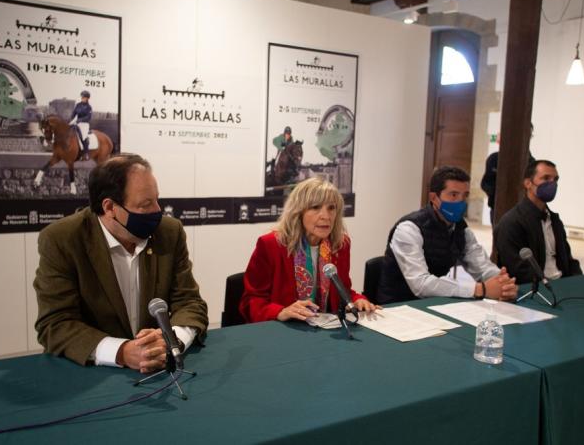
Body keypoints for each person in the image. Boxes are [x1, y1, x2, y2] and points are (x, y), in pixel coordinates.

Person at [34, 154, 208, 372]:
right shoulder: (63, 239)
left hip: (158, 370)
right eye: (146, 204)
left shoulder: (169, 232)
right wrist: (122, 352)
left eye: (157, 199)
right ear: (109, 207)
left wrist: (172, 341)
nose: (158, 210)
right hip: (90, 376)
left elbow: (190, 303)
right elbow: (55, 324)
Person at [375, 166, 518, 305]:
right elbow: (421, 284)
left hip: (434, 304)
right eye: (454, 195)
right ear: (434, 198)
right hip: (397, 307)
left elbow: (482, 266)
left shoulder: (462, 230)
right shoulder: (409, 229)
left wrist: (503, 284)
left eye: (465, 196)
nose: (460, 202)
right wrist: (479, 289)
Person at [240, 177, 376, 323]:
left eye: (331, 208)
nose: (326, 216)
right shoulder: (271, 245)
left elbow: (343, 290)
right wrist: (280, 311)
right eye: (316, 207)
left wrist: (357, 300)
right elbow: (251, 301)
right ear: (298, 212)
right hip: (284, 330)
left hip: (325, 329)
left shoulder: (340, 244)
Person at [494, 159, 582, 284]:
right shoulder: (511, 222)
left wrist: (579, 280)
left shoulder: (555, 221)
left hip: (562, 285)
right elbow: (517, 269)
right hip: (536, 289)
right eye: (546, 178)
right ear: (528, 183)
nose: (552, 184)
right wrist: (546, 283)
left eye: (555, 179)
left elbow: (568, 260)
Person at [480, 124, 536, 225]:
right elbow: (486, 183)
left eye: (528, 135)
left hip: (523, 211)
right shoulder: (494, 159)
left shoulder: (532, 163)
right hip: (498, 209)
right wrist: (498, 195)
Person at [69, 90, 93, 160]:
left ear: (87, 98)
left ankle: (86, 153)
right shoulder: (78, 105)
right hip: (76, 122)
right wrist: (71, 120)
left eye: (84, 97)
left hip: (84, 124)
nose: (82, 98)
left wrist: (80, 120)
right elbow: (74, 113)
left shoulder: (89, 107)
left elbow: (88, 117)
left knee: (83, 136)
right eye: (82, 97)